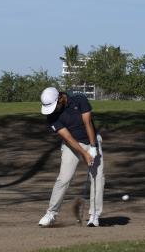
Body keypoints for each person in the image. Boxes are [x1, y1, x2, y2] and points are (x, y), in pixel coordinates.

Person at [38, 86, 104, 227]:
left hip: (91, 139)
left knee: (97, 177)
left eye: (54, 106)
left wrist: (92, 147)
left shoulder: (78, 99)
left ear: (60, 98)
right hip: (72, 144)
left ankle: (94, 215)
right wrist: (85, 154)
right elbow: (68, 137)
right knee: (63, 178)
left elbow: (87, 123)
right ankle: (51, 213)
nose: (53, 110)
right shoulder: (51, 117)